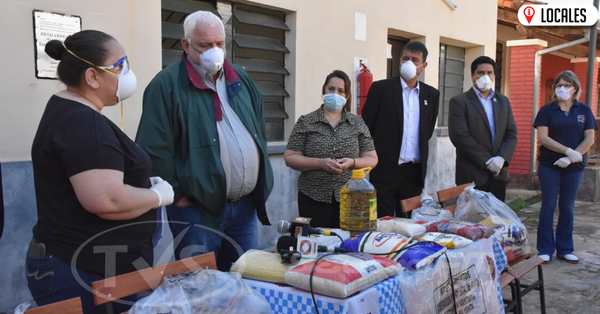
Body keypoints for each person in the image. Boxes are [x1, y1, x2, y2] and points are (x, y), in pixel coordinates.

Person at [28, 30, 174, 314]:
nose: (126, 74)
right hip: (82, 271)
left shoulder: (71, 111)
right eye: (119, 66)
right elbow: (108, 201)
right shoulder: (83, 123)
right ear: (92, 77)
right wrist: (156, 196)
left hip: (93, 266)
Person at [135, 11, 273, 272]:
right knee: (201, 288)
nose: (215, 51)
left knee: (242, 284)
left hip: (244, 209)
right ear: (186, 45)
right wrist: (178, 195)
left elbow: (259, 132)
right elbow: (153, 149)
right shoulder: (166, 85)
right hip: (196, 211)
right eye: (205, 45)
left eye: (220, 44)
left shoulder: (241, 79)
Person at [283, 70, 378, 228]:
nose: (335, 93)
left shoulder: (357, 123)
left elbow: (372, 158)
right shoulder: (307, 121)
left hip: (351, 199)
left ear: (347, 96)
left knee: (346, 244)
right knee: (313, 243)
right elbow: (290, 157)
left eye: (341, 91)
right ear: (323, 91)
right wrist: (320, 163)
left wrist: (352, 162)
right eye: (331, 89)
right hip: (312, 196)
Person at [362, 41, 440, 218]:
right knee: (383, 222)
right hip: (384, 170)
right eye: (405, 58)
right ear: (399, 61)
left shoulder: (431, 95)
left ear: (423, 66)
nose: (409, 63)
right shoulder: (381, 89)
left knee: (409, 224)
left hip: (413, 173)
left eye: (414, 59)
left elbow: (426, 131)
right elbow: (366, 128)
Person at [533, 70, 597, 264]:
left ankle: (565, 248)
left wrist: (571, 158)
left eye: (566, 85)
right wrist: (568, 151)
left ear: (574, 88)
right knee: (548, 205)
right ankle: (545, 249)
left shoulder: (584, 110)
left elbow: (590, 138)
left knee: (567, 207)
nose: (562, 89)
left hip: (574, 167)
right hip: (549, 165)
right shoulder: (546, 110)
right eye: (559, 85)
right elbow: (543, 137)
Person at [448, 56, 517, 202]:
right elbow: (460, 137)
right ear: (472, 75)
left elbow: (511, 133)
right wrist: (487, 161)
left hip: (498, 174)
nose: (485, 76)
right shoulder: (460, 102)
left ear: (494, 75)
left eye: (489, 72)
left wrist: (501, 158)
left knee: (496, 221)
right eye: (480, 73)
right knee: (472, 222)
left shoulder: (503, 101)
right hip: (472, 175)